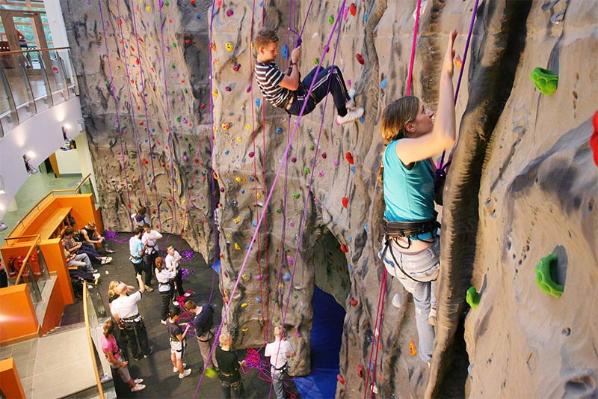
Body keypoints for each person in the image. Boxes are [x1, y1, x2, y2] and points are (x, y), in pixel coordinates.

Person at [378, 31, 458, 363]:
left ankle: (428, 358)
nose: (430, 113)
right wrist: (446, 75)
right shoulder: (401, 150)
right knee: (450, 280)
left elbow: (439, 125)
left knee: (423, 304)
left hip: (400, 257)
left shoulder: (401, 153)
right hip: (422, 260)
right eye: (424, 112)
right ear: (410, 126)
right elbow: (447, 135)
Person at [254, 29, 364, 125]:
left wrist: (292, 66)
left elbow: (282, 80)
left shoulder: (262, 64)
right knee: (333, 73)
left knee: (319, 70)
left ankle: (345, 100)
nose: (276, 53)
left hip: (295, 94)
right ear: (262, 50)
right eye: (273, 50)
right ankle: (343, 115)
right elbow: (293, 84)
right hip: (299, 102)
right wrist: (294, 62)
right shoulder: (266, 72)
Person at [110, 276, 152, 360]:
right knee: (142, 336)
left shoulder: (114, 303)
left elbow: (116, 316)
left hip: (126, 323)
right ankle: (146, 352)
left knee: (131, 340)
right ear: (126, 290)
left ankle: (136, 355)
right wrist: (139, 278)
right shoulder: (131, 298)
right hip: (137, 321)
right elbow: (142, 289)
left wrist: (119, 323)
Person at [100, 319, 146, 393]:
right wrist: (121, 364)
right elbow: (111, 359)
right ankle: (134, 386)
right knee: (125, 374)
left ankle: (132, 382)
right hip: (116, 361)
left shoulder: (108, 336)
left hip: (117, 356)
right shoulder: (107, 344)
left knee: (125, 373)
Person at [184, 300, 217, 376]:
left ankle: (209, 368)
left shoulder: (197, 321)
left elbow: (199, 333)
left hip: (204, 336)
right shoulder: (206, 306)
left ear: (191, 309)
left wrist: (194, 326)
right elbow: (212, 310)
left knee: (205, 352)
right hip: (212, 330)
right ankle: (217, 365)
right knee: (214, 348)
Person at [264, 326, 295, 399]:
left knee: (279, 393)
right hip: (284, 370)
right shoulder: (287, 343)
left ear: (274, 334)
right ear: (283, 334)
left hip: (275, 372)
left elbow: (267, 356)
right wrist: (286, 354)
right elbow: (293, 354)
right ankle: (287, 394)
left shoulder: (269, 346)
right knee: (285, 383)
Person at [215, 332, 245, 399]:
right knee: (238, 394)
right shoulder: (232, 356)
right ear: (228, 342)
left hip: (222, 376)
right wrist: (241, 363)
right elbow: (236, 368)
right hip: (233, 377)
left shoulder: (217, 349)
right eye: (231, 339)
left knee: (225, 394)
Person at [166, 308, 192, 379]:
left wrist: (182, 324)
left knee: (173, 353)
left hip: (172, 341)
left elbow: (174, 325)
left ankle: (175, 367)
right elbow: (181, 338)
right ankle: (182, 373)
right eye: (178, 315)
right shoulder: (176, 329)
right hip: (178, 344)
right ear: (175, 316)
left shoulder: (168, 320)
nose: (179, 316)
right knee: (179, 359)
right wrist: (187, 328)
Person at [129, 227, 153, 291]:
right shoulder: (139, 242)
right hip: (138, 261)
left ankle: (140, 285)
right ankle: (147, 285)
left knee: (138, 273)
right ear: (140, 233)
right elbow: (140, 254)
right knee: (148, 271)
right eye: (142, 233)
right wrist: (144, 247)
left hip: (133, 260)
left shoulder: (131, 239)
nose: (142, 234)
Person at [155, 256, 174, 324]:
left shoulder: (157, 269)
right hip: (165, 290)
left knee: (166, 303)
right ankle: (163, 319)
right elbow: (173, 275)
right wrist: (174, 266)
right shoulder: (162, 272)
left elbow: (167, 272)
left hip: (163, 288)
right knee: (165, 304)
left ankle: (167, 313)